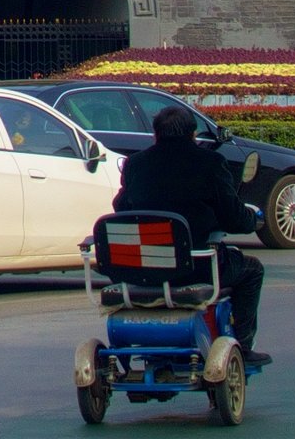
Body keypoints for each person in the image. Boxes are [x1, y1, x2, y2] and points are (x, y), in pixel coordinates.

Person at [112, 106, 269, 365]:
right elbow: (234, 217)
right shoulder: (210, 163)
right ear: (193, 134)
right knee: (252, 270)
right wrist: (254, 220)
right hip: (196, 269)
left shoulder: (135, 164)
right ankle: (244, 346)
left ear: (155, 134)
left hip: (143, 270)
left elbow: (121, 208)